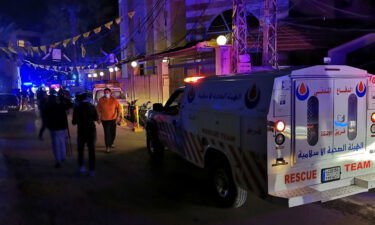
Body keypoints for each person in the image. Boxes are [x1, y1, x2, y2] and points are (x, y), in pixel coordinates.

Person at [72, 93, 99, 176]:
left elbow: (74, 122)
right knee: (91, 150)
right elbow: (96, 118)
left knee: (81, 150)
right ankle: (92, 170)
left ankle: (81, 167)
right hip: (91, 130)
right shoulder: (92, 107)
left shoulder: (77, 108)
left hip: (81, 131)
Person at [44, 89, 72, 168]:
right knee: (62, 142)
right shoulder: (61, 105)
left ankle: (58, 160)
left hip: (55, 127)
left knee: (56, 144)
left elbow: (46, 116)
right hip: (61, 126)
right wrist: (64, 98)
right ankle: (62, 158)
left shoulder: (49, 106)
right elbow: (69, 105)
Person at [96, 88, 122, 153]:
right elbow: (98, 110)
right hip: (104, 120)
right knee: (107, 133)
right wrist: (98, 118)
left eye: (107, 92)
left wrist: (118, 117)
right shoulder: (101, 100)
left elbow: (119, 108)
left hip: (113, 119)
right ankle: (107, 147)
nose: (106, 93)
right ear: (104, 93)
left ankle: (111, 142)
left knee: (113, 133)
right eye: (105, 92)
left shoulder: (114, 100)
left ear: (110, 93)